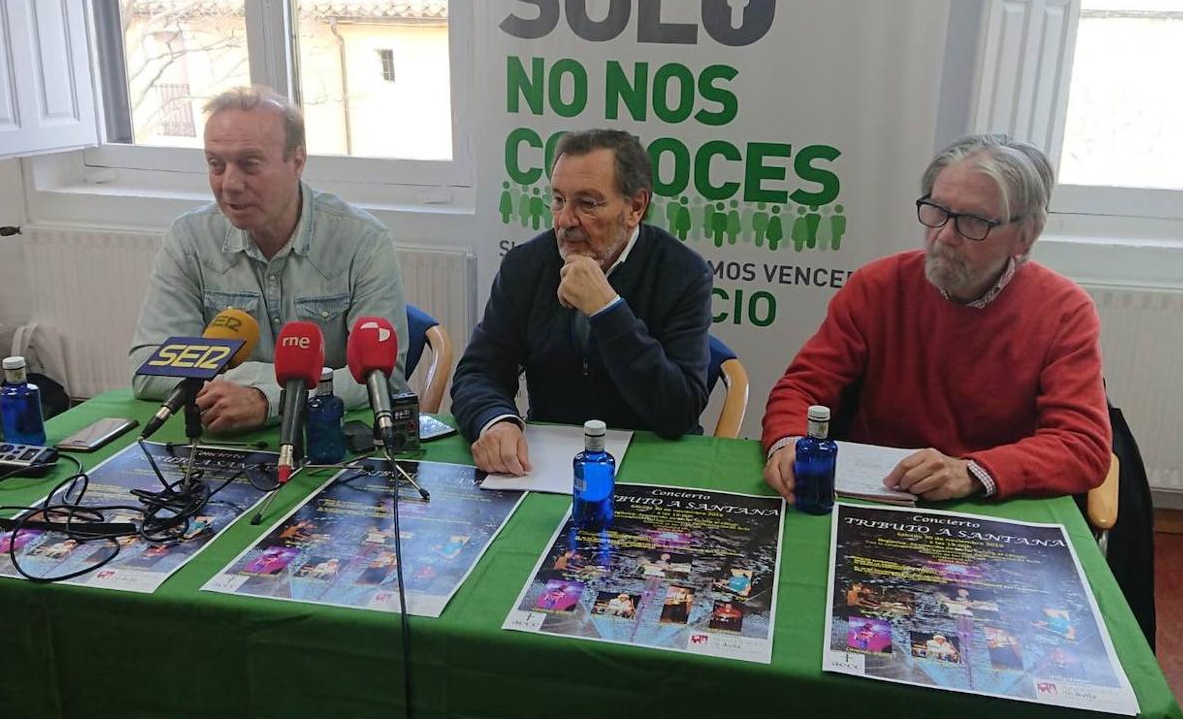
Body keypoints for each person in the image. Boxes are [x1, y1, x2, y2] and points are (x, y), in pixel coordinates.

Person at [762, 134, 1111, 502]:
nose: (944, 235)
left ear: (1024, 236)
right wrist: (788, 443)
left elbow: (1082, 446)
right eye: (937, 210)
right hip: (873, 493)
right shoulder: (878, 286)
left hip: (986, 505)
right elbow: (802, 388)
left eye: (973, 221)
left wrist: (972, 471)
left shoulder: (1063, 311)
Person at [129, 86, 408, 432]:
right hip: (219, 438)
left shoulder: (363, 241)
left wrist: (267, 397)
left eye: (249, 164)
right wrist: (256, 385)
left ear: (297, 161)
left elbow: (383, 378)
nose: (230, 185)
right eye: (216, 165)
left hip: (327, 441)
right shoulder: (189, 239)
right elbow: (149, 369)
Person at [451, 129, 712, 476]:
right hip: (545, 464)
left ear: (635, 207)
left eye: (587, 204)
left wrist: (608, 310)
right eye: (559, 200)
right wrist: (496, 422)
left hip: (652, 462)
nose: (564, 220)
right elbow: (479, 371)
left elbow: (678, 412)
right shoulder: (526, 265)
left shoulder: (683, 273)